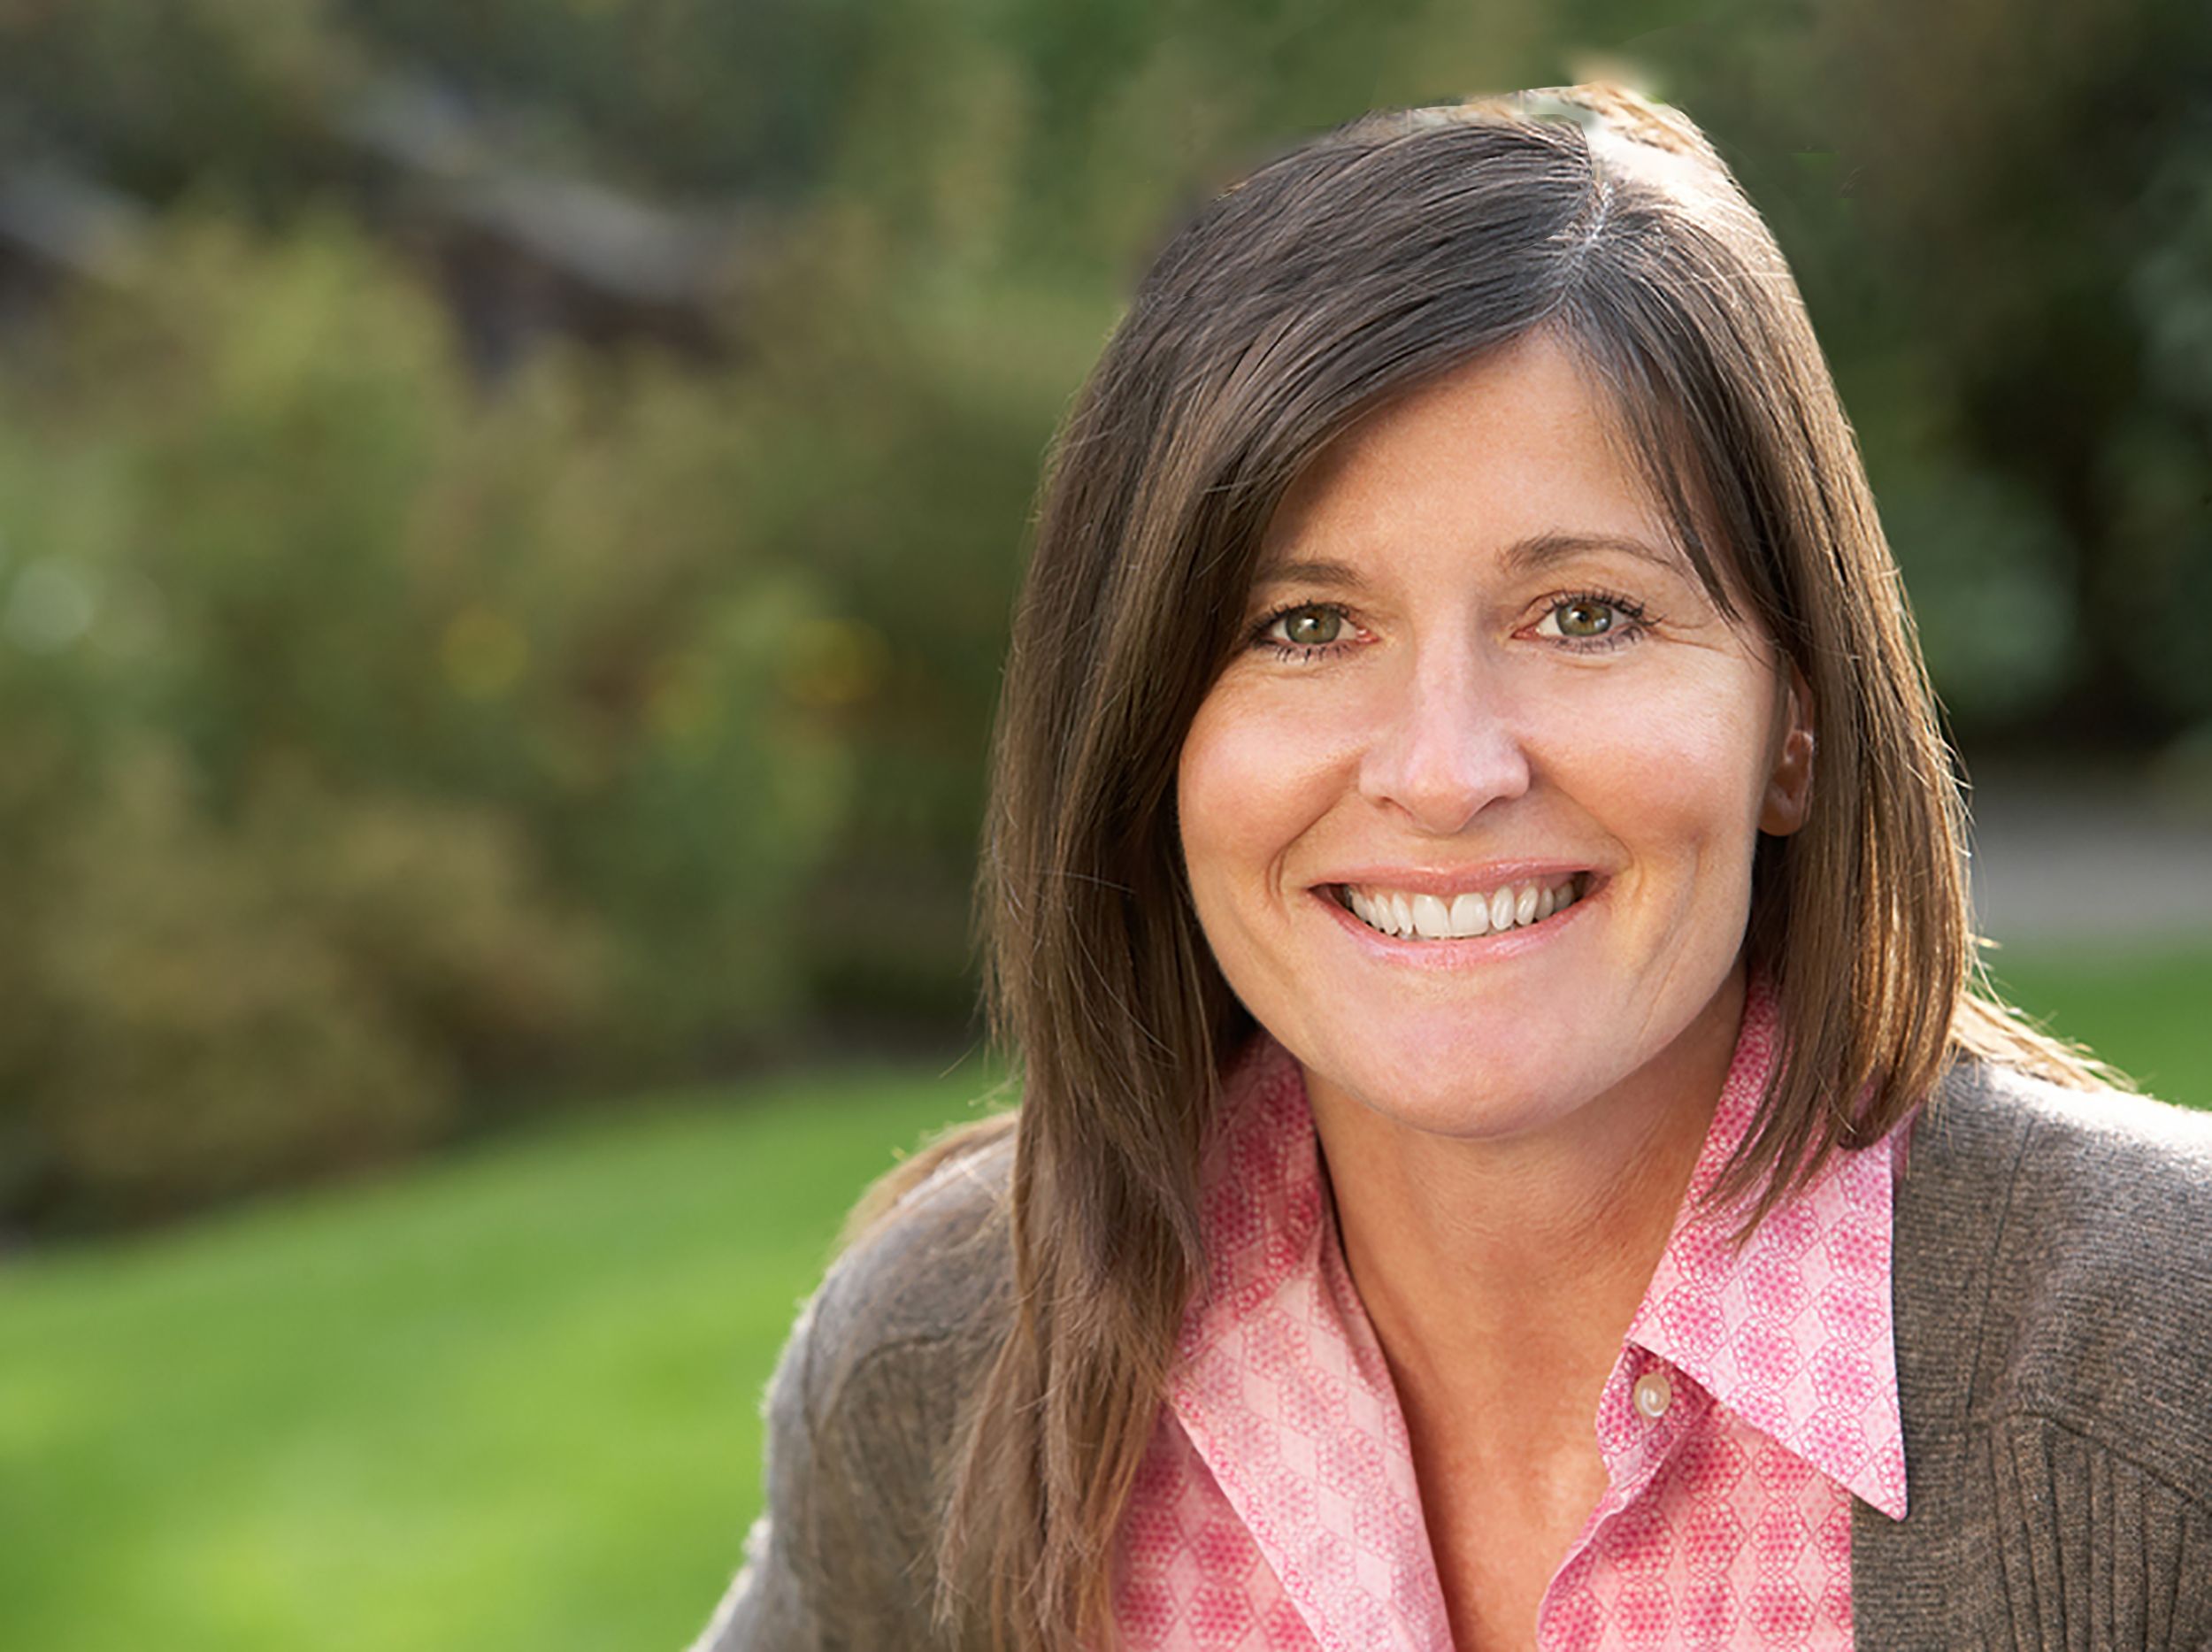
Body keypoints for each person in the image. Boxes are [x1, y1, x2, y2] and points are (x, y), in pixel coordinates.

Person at [694, 83, 2212, 1651]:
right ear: (1148, 733)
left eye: (1586, 615)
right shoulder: (947, 1372)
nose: (1443, 770)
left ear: (1795, 720)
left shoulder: (2173, 1376)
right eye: (1305, 627)